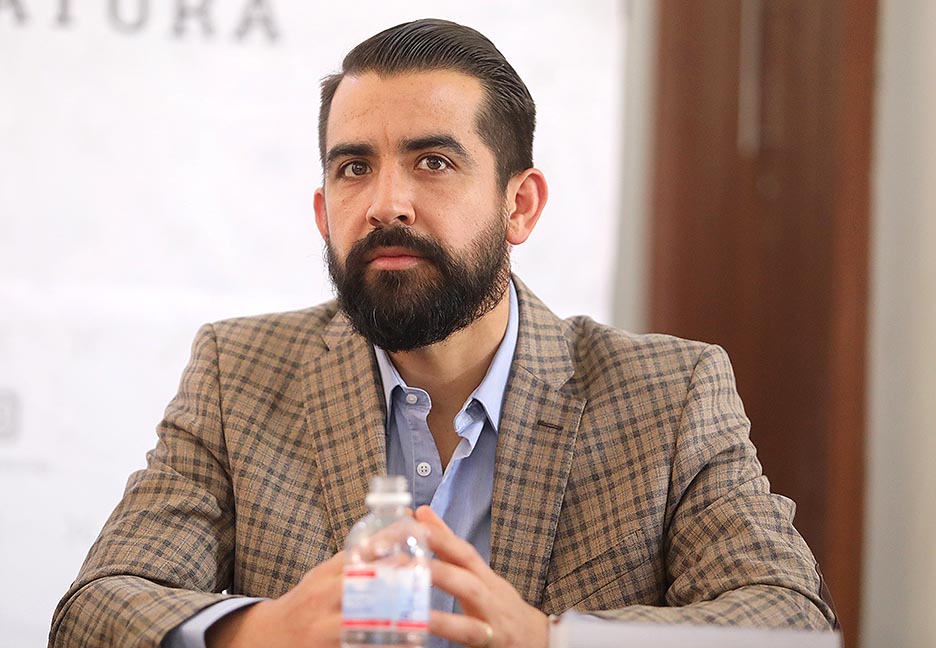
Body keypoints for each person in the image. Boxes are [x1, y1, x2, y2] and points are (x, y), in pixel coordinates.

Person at [49, 18, 836, 648]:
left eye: (432, 162)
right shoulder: (239, 371)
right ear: (323, 212)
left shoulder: (667, 394)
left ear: (519, 205)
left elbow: (791, 619)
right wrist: (264, 631)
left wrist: (549, 640)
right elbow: (95, 610)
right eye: (354, 168)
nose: (385, 203)